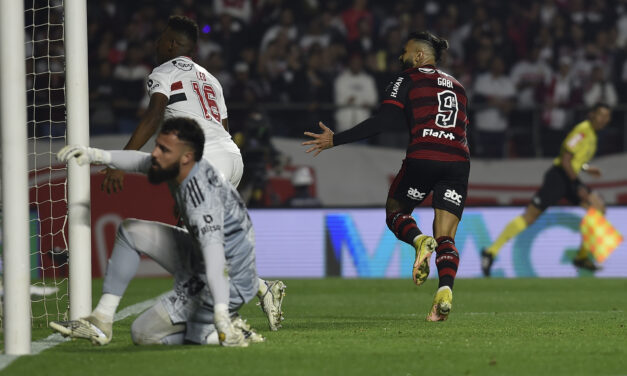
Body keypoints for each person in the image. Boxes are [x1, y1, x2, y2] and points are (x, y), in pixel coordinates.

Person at [101, 16, 284, 329]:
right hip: (230, 157)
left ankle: (229, 314)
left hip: (207, 159)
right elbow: (222, 128)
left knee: (196, 250)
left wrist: (120, 161)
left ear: (172, 44)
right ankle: (256, 290)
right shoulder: (211, 79)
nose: (156, 43)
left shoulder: (162, 72)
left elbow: (154, 115)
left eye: (161, 38)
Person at [50, 118, 281, 347]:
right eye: (158, 146)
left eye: (163, 149)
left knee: (143, 334)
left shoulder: (201, 199)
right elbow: (140, 160)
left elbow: (216, 262)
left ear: (186, 157)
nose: (156, 153)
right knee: (130, 231)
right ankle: (101, 320)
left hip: (227, 278)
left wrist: (221, 311)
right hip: (206, 256)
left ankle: (227, 330)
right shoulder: (180, 166)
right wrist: (95, 155)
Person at [303, 31, 469, 322]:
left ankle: (419, 241)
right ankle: (445, 289)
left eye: (405, 52)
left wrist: (336, 139)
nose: (400, 57)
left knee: (396, 211)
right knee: (447, 237)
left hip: (424, 156)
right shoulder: (458, 86)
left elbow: (385, 121)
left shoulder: (407, 79)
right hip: (457, 161)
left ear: (418, 56)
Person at [480, 103, 612, 276]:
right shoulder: (582, 130)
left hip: (569, 177)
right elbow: (565, 160)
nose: (604, 119)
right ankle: (491, 252)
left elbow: (574, 161)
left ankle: (581, 257)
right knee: (530, 216)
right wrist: (578, 185)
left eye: (607, 116)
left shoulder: (593, 136)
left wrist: (586, 168)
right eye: (601, 114)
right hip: (558, 178)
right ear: (591, 114)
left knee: (598, 209)